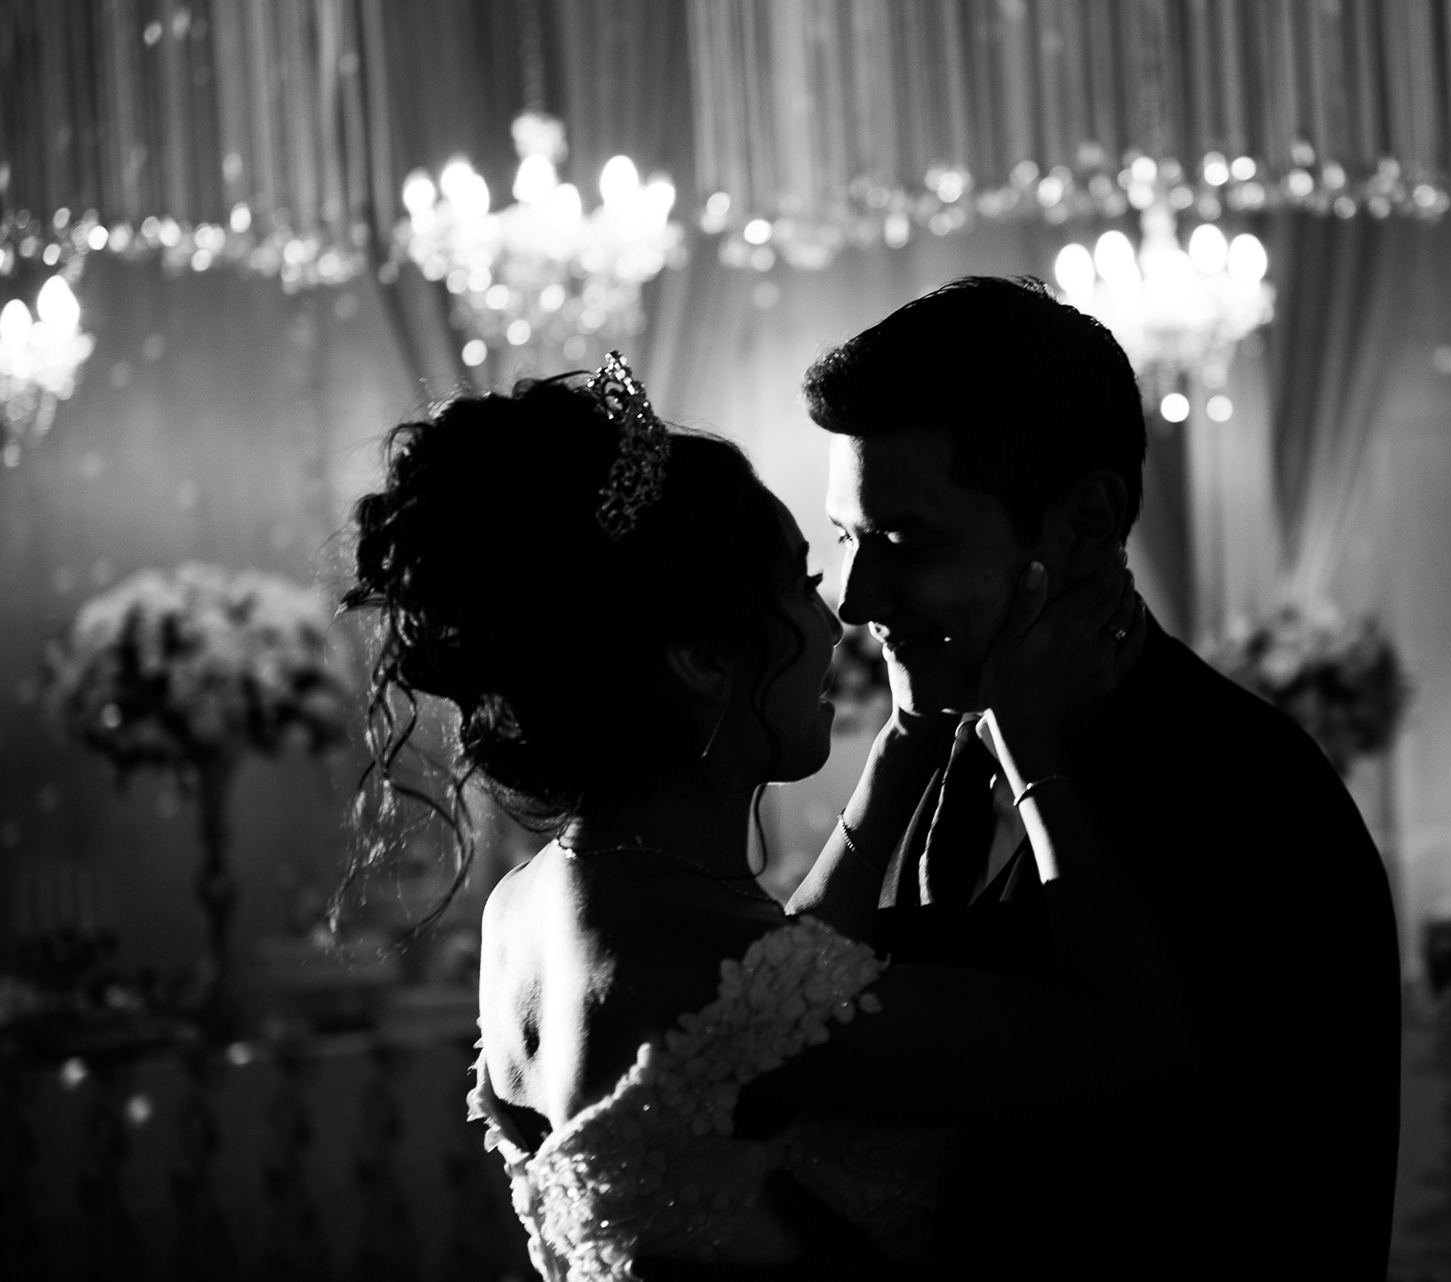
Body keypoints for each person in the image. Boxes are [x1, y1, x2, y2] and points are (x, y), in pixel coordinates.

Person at [341, 356, 1193, 1278]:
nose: (840, 622)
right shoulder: (699, 969)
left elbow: (784, 982)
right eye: (799, 586)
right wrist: (1031, 744)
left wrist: (910, 737)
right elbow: (1137, 1047)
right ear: (705, 660)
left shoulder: (531, 903)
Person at [788, 276, 1402, 1276]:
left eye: (904, 541)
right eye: (845, 537)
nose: (855, 598)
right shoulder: (958, 744)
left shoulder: (1242, 790)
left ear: (1084, 521)